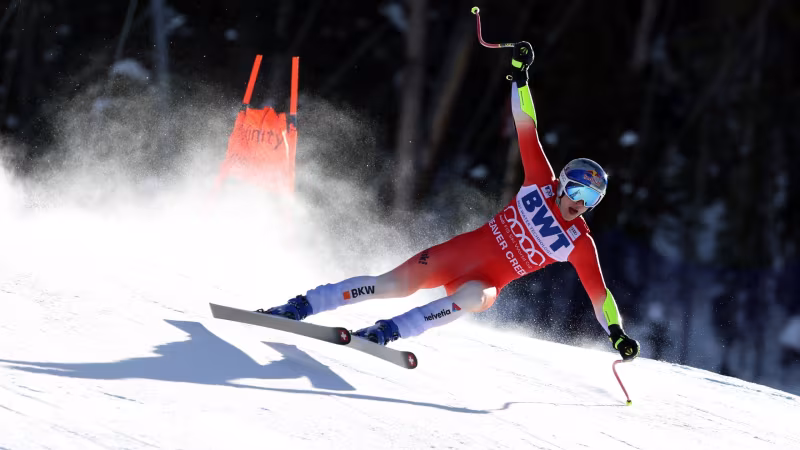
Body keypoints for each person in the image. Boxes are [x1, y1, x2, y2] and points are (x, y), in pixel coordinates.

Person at [259, 42, 640, 361]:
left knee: (474, 297)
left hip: (486, 283)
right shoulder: (540, 181)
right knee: (391, 284)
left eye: (592, 199)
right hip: (456, 255)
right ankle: (302, 306)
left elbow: (599, 294)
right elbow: (527, 125)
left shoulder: (579, 242)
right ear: (561, 184)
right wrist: (520, 79)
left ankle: (388, 331)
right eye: (577, 190)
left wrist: (617, 333)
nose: (580, 203)